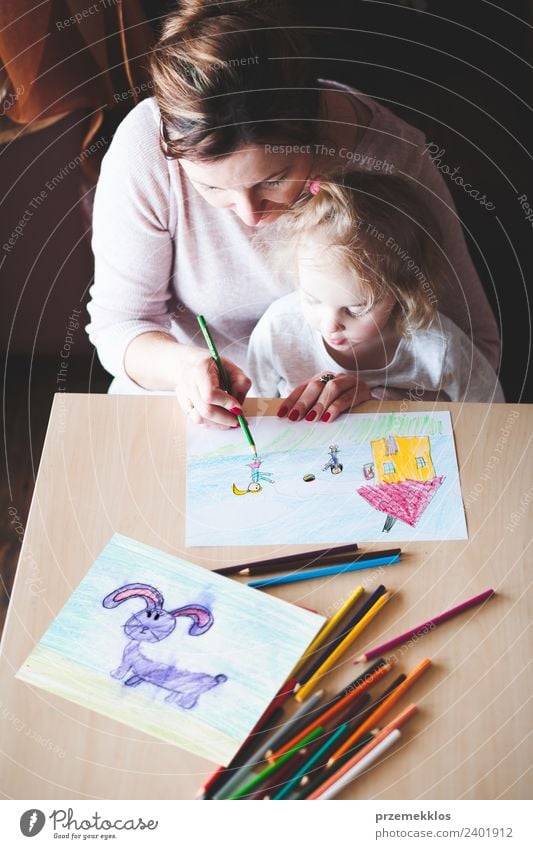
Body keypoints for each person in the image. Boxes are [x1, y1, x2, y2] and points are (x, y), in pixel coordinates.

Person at [87, 0, 500, 429]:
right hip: (185, 408)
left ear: (314, 127)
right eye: (211, 187)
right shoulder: (145, 149)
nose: (248, 214)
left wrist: (380, 396)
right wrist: (185, 368)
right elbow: (121, 324)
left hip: (349, 419)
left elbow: (477, 346)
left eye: (273, 179)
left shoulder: (394, 160)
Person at [247, 173, 504, 420]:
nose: (330, 325)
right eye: (312, 299)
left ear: (402, 292)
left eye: (356, 309)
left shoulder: (438, 348)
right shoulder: (277, 331)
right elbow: (257, 409)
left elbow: (490, 413)